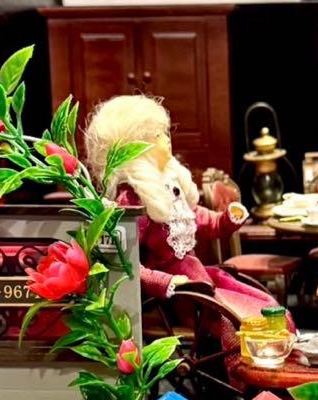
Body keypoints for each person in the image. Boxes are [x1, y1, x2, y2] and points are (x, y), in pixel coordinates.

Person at [84, 95, 292, 347]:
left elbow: (200, 219)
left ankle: (278, 356)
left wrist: (226, 220)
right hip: (182, 296)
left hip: (200, 280)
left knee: (265, 306)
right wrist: (165, 282)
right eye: (158, 135)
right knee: (241, 321)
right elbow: (124, 262)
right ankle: (245, 366)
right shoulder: (132, 199)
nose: (167, 139)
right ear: (137, 149)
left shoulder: (167, 185)